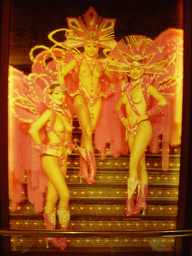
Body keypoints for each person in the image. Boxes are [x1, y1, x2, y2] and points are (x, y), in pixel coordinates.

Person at [51, 7, 117, 184]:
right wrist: (71, 91)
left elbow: (114, 82)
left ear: (99, 46)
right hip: (80, 97)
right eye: (89, 45)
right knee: (87, 131)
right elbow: (60, 74)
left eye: (95, 45)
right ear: (83, 45)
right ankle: (91, 172)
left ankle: (83, 169)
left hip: (96, 98)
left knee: (89, 133)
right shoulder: (78, 59)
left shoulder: (102, 64)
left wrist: (105, 93)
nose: (92, 48)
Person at [110, 35, 169, 217]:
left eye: (138, 68)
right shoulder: (126, 88)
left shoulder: (146, 85)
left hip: (143, 126)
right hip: (131, 130)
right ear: (129, 70)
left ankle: (129, 203)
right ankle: (142, 201)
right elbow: (117, 108)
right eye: (132, 68)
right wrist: (125, 120)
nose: (135, 71)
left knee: (132, 164)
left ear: (143, 69)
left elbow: (163, 102)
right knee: (141, 167)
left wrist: (145, 114)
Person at [29, 82, 73, 250]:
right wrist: (43, 147)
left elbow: (65, 135)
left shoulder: (66, 113)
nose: (61, 97)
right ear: (50, 95)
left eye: (63, 93)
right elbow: (34, 130)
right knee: (65, 195)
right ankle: (61, 235)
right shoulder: (49, 112)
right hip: (51, 157)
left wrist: (70, 146)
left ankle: (53, 235)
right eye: (57, 94)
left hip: (63, 157)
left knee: (53, 198)